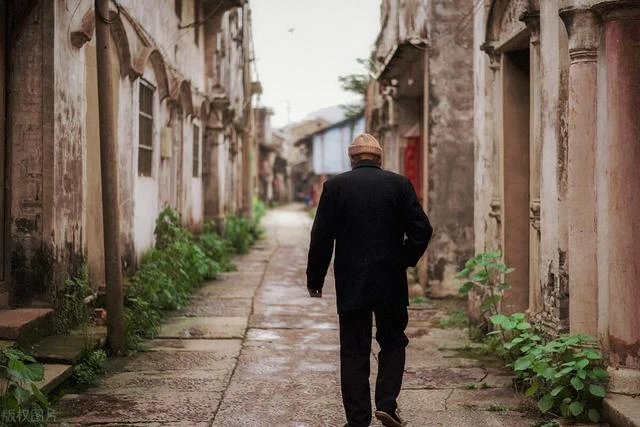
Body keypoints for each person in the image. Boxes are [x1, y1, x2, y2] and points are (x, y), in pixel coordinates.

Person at [306, 133, 433, 427]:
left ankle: (358, 419)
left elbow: (321, 237)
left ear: (352, 159)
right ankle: (387, 404)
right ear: (379, 158)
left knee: (353, 348)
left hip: (351, 281)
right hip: (391, 280)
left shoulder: (335, 187)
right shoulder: (399, 185)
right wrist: (403, 259)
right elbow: (422, 229)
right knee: (393, 341)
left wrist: (316, 277)